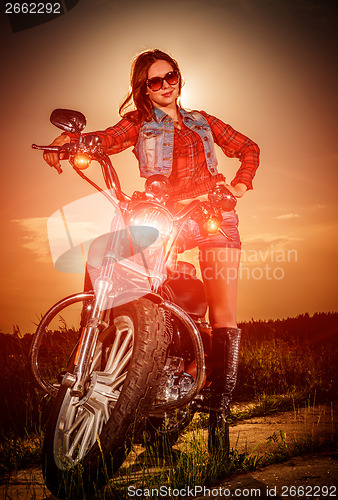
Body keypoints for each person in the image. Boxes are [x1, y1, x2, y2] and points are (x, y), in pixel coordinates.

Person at [43, 48, 260, 457]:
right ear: (143, 88)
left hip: (213, 214)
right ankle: (90, 352)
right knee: (103, 254)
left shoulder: (203, 121)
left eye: (170, 76)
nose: (165, 86)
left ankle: (219, 426)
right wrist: (73, 142)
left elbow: (250, 150)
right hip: (161, 213)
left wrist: (237, 187)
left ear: (179, 77)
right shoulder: (139, 123)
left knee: (224, 316)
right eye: (155, 81)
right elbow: (106, 138)